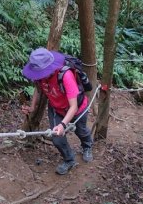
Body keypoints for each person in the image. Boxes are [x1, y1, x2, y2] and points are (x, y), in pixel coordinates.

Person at [22, 47, 93, 175]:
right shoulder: (40, 77)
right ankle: (69, 159)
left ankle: (87, 146)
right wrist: (32, 107)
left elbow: (74, 106)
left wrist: (63, 124)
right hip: (56, 108)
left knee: (81, 131)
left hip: (77, 108)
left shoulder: (65, 76)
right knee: (57, 138)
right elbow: (38, 89)